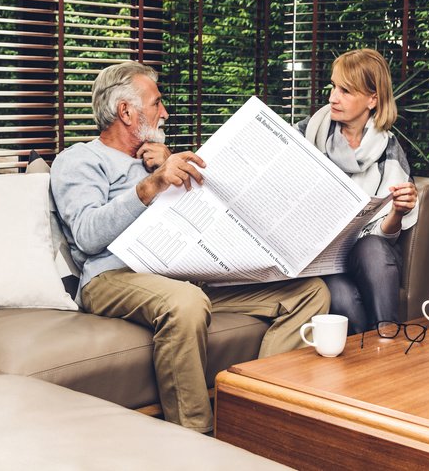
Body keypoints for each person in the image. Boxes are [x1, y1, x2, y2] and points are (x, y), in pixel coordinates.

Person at [50, 61, 330, 433]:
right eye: (156, 103)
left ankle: (259, 413)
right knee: (185, 302)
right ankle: (196, 438)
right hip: (113, 276)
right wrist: (151, 184)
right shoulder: (79, 160)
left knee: (309, 292)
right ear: (126, 112)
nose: (164, 112)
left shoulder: (157, 159)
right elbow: (87, 233)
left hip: (185, 270)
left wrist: (165, 166)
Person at [295, 49, 418, 335]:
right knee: (342, 298)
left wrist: (398, 211)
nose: (332, 97)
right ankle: (372, 365)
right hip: (320, 259)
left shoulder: (389, 150)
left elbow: (386, 236)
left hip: (367, 253)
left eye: (345, 91)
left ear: (372, 99)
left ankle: (387, 342)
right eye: (333, 87)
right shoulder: (305, 134)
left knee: (372, 248)